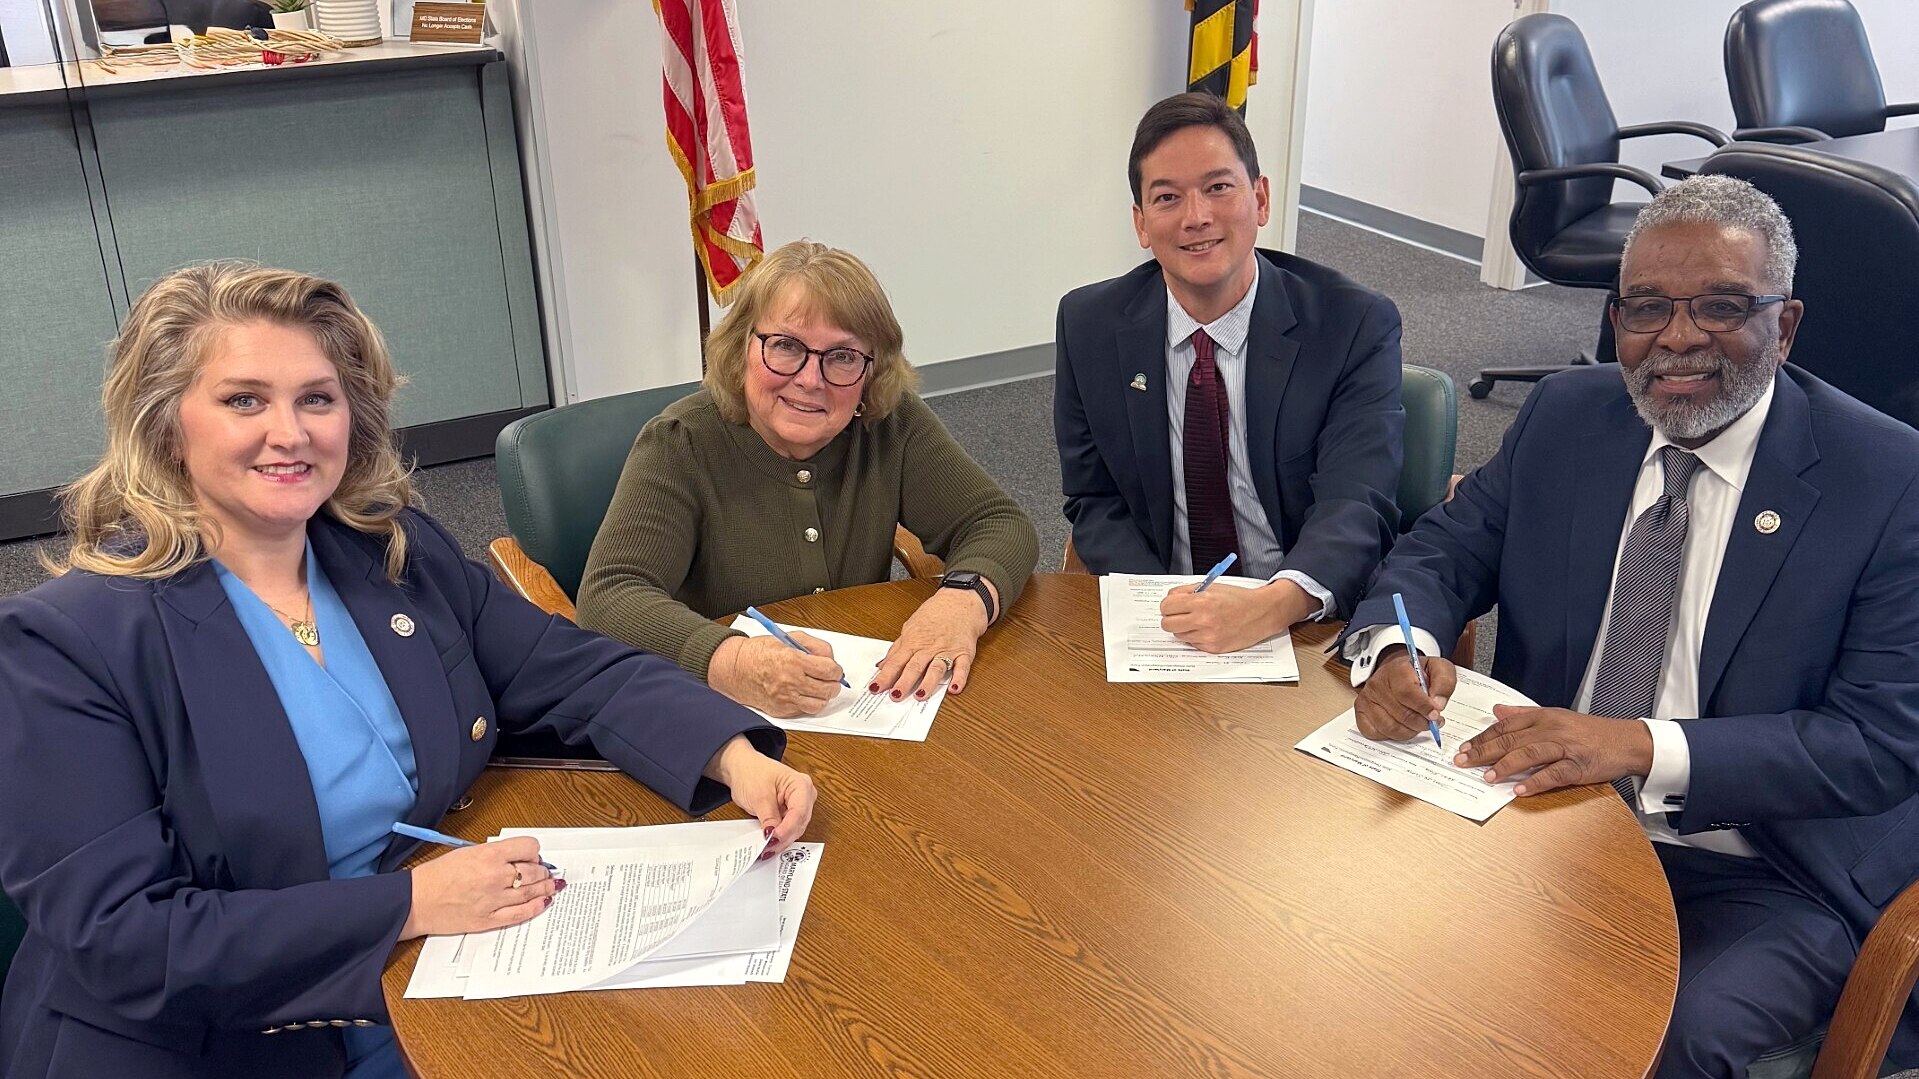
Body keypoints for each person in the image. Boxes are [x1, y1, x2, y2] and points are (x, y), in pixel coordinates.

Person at [0, 263, 817, 1078]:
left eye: (317, 398)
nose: (290, 432)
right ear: (165, 422)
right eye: (243, 399)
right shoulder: (68, 644)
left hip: (429, 977)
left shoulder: (390, 550)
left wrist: (730, 755)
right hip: (223, 1040)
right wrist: (412, 905)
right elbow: (128, 941)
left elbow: (568, 669)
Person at [1345, 176, 1919, 1078]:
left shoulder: (1886, 479)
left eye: (1722, 306)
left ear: (1787, 323)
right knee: (1342, 941)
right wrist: (1396, 643)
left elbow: (1876, 745)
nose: (1677, 336)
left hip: (1762, 868)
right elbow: (1444, 548)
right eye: (1646, 307)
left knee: (1651, 1040)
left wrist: (1640, 746)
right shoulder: (1567, 416)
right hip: (1541, 815)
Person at [576, 240, 1039, 718]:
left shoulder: (890, 424)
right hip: (716, 714)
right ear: (741, 347)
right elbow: (610, 596)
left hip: (859, 701)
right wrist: (730, 659)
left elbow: (998, 522)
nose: (810, 379)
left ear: (871, 369)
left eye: (841, 356)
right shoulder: (680, 443)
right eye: (785, 346)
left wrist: (962, 603)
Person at [1053, 91, 1404, 656]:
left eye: (1219, 188)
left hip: (1306, 619)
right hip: (1169, 620)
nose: (1197, 217)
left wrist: (1272, 606)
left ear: (1260, 199)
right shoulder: (1088, 324)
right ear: (1141, 224)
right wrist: (1163, 603)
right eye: (1167, 198)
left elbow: (1356, 502)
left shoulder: (1352, 324)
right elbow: (1094, 498)